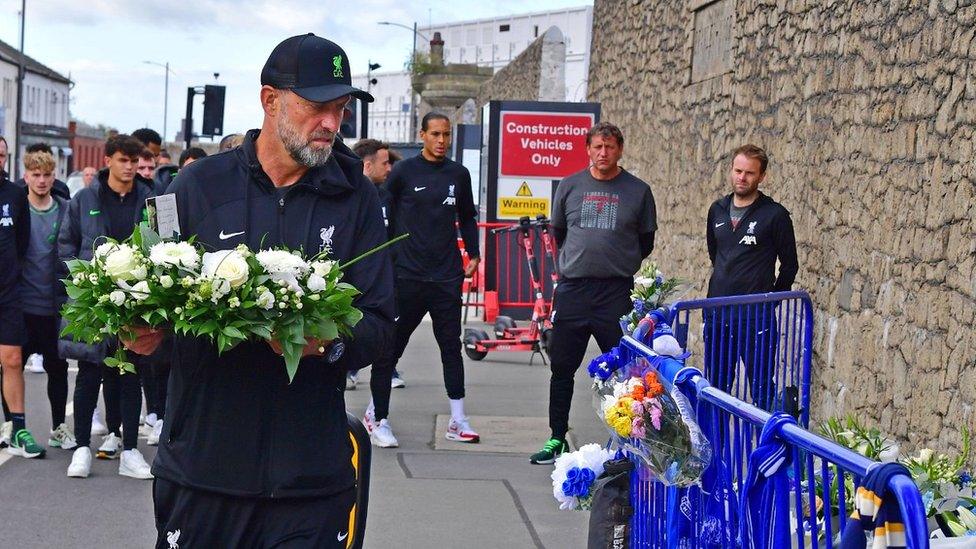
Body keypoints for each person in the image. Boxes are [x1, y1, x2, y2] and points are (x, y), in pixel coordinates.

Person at [128, 34, 393, 548]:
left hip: (309, 484)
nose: (332, 125)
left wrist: (331, 344)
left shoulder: (356, 196)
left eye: (340, 109)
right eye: (318, 107)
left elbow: (381, 321)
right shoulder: (193, 188)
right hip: (203, 477)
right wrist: (137, 336)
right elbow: (145, 300)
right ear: (271, 100)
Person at [530, 122, 657, 464]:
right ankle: (557, 437)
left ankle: (630, 441)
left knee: (625, 372)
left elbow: (645, 241)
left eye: (610, 147)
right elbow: (559, 231)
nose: (603, 153)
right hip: (574, 290)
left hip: (615, 291)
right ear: (588, 148)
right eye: (598, 147)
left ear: (620, 150)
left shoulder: (638, 191)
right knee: (562, 367)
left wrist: (615, 261)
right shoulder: (570, 186)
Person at [368, 112, 481, 447]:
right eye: (435, 134)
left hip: (445, 275)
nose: (442, 141)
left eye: (446, 135)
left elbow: (468, 218)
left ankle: (458, 420)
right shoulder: (403, 172)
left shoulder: (458, 174)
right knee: (391, 346)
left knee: (450, 346)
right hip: (407, 274)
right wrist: (383, 264)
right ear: (422, 135)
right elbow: (384, 218)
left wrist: (473, 254)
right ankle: (377, 416)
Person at [58, 134, 156, 479]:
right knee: (88, 373)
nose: (129, 167)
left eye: (134, 161)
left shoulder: (152, 199)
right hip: (93, 300)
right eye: (123, 160)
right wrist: (83, 281)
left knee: (130, 374)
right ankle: (82, 447)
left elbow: (166, 243)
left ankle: (130, 450)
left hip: (136, 299)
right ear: (108, 161)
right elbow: (66, 244)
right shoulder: (84, 198)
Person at [704, 144, 798, 409]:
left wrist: (770, 300)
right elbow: (716, 254)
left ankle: (764, 449)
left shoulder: (775, 215)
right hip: (718, 313)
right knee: (716, 388)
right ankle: (717, 448)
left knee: (761, 389)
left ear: (761, 176)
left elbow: (790, 265)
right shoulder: (717, 210)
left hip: (756, 318)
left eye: (749, 173)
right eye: (737, 171)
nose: (742, 178)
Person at [20, 151, 75, 450]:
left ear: (54, 177)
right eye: (35, 175)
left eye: (46, 175)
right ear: (26, 176)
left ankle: (58, 428)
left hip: (54, 306)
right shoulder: (16, 210)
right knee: (12, 367)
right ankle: (13, 426)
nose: (41, 181)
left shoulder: (66, 209)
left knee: (58, 368)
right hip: (21, 305)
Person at [347, 138, 404, 395]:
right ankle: (348, 368)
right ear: (367, 165)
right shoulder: (347, 198)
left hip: (384, 276)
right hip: (355, 278)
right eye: (384, 163)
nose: (389, 168)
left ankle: (388, 371)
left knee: (385, 327)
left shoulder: (385, 196)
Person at [0, 143, 45, 458]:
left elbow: (22, 242)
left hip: (7, 292)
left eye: (1, 155)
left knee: (13, 360)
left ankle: (18, 429)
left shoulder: (15, 195)